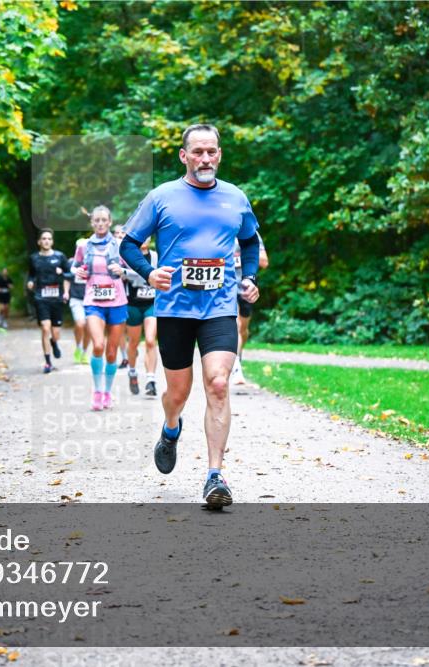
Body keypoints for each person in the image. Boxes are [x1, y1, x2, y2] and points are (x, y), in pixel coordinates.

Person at [120, 123, 262, 509]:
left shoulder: (235, 198)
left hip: (219, 307)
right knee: (178, 394)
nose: (205, 158)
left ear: (219, 154)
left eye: (211, 151)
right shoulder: (161, 197)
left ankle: (215, 475)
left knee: (218, 383)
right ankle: (170, 429)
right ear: (184, 156)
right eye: (197, 152)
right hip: (175, 309)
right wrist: (149, 273)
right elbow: (129, 243)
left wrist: (248, 277)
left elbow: (250, 241)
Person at [73, 206, 128, 411]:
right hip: (93, 300)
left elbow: (132, 269)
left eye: (104, 220)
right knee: (98, 346)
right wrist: (77, 270)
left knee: (112, 353)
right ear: (92, 223)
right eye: (97, 220)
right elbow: (75, 266)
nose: (100, 223)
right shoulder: (83, 245)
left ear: (110, 222)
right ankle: (97, 391)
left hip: (117, 300)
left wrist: (122, 270)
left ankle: (107, 391)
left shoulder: (120, 245)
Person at [27, 228, 70, 373]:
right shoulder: (34, 258)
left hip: (56, 297)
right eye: (44, 239)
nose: (46, 241)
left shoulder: (60, 257)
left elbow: (69, 274)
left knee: (55, 332)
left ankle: (54, 343)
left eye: (49, 239)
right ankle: (47, 362)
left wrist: (63, 276)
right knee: (46, 329)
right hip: (41, 297)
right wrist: (30, 282)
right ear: (39, 242)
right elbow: (31, 275)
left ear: (52, 241)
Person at [123, 236, 159, 397]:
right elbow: (123, 274)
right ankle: (132, 371)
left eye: (147, 236)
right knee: (133, 343)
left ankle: (151, 380)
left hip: (151, 304)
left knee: (151, 340)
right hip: (133, 305)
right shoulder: (129, 256)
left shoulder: (156, 256)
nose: (144, 239)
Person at [232, 233, 268, 384]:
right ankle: (236, 368)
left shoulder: (250, 233)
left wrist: (243, 257)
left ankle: (238, 356)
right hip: (227, 287)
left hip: (246, 287)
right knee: (235, 325)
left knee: (243, 330)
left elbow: (264, 262)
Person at [67, 238, 90, 364]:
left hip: (91, 299)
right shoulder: (72, 262)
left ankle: (85, 352)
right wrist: (66, 292)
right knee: (80, 324)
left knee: (89, 328)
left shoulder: (93, 261)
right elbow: (67, 278)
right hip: (76, 298)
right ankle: (79, 347)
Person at [113, 224, 131, 369]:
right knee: (120, 327)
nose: (119, 236)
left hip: (134, 295)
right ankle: (125, 356)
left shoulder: (131, 250)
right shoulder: (109, 252)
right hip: (117, 296)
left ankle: (131, 353)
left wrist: (125, 272)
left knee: (132, 329)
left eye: (122, 233)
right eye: (116, 233)